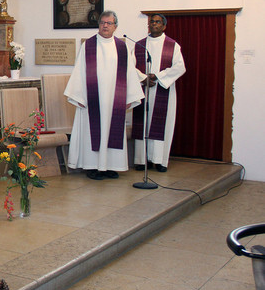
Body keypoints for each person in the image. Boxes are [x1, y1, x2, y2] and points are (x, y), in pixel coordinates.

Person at [64, 11, 144, 180]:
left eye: (109, 23)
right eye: (103, 22)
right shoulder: (88, 45)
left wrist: (130, 97)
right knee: (92, 131)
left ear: (115, 27)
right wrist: (79, 95)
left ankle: (110, 166)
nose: (105, 25)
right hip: (92, 99)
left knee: (111, 131)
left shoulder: (122, 47)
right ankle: (92, 166)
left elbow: (130, 73)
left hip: (115, 99)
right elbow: (79, 71)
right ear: (99, 24)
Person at [132, 14, 186, 172]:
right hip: (144, 90)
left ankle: (159, 161)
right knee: (143, 123)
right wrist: (143, 78)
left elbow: (180, 67)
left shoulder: (172, 45)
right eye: (151, 22)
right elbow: (129, 66)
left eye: (157, 22)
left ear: (164, 26)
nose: (153, 24)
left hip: (163, 90)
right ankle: (141, 160)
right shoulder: (139, 45)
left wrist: (158, 76)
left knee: (162, 124)